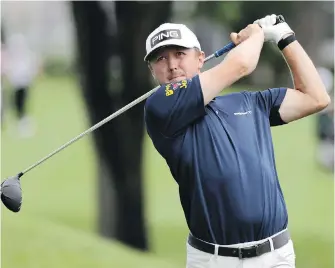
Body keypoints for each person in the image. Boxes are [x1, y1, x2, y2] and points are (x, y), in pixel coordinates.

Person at [143, 14, 330, 268]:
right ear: (152, 70)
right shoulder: (160, 106)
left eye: (179, 54)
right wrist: (257, 35)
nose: (172, 65)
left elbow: (316, 97)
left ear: (200, 59)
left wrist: (285, 37)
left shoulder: (250, 102)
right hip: (213, 260)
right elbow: (241, 64)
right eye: (160, 58)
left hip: (276, 256)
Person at [2, 33, 39, 137]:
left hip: (23, 85)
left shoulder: (27, 57)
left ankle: (25, 126)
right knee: (15, 105)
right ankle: (20, 124)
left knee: (22, 105)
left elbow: (32, 69)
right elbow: (9, 71)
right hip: (16, 86)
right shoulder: (14, 58)